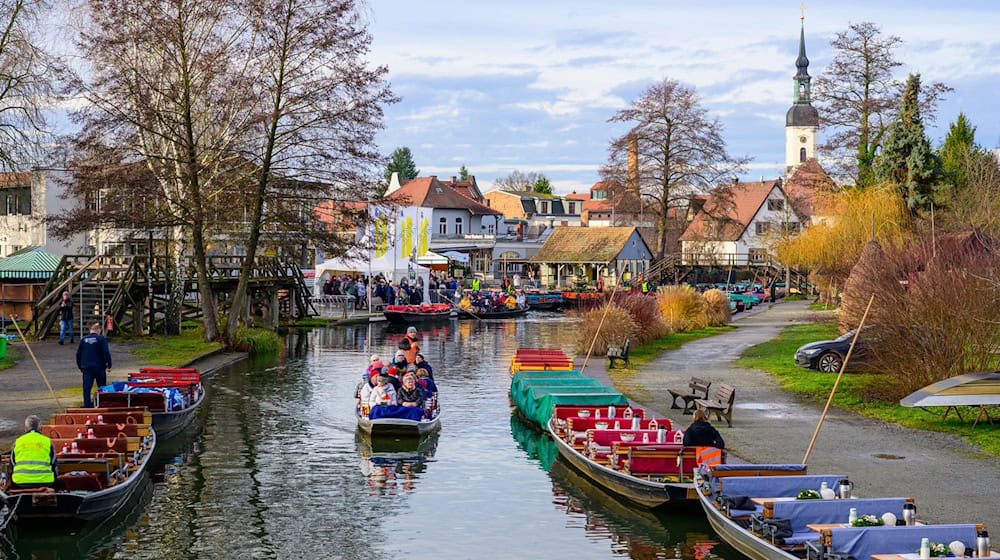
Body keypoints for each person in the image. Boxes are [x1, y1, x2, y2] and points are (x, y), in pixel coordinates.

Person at [11, 415, 56, 489]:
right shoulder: (47, 441)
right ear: (40, 428)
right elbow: (53, 463)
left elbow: (12, 463)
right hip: (45, 482)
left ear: (25, 428)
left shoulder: (18, 442)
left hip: (20, 482)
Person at [76, 322, 112, 408]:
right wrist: (109, 364)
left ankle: (87, 405)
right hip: (99, 367)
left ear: (90, 330)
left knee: (87, 388)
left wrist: (80, 366)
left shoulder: (83, 340)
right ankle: (102, 404)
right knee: (102, 387)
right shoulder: (101, 339)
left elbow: (78, 354)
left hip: (87, 367)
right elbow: (106, 352)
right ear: (98, 330)